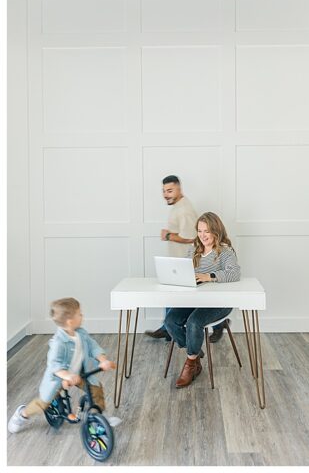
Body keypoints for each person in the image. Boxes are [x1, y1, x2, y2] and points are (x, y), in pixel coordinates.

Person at [8, 298, 122, 433]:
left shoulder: (81, 333)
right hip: (58, 377)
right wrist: (67, 376)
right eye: (80, 314)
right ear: (70, 321)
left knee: (95, 388)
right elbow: (54, 365)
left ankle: (99, 416)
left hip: (78, 372)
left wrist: (103, 360)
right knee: (43, 403)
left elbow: (93, 347)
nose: (82, 316)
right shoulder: (58, 342)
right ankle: (22, 414)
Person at [145, 175, 230, 343]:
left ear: (179, 189)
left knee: (179, 296)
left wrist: (168, 235)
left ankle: (217, 324)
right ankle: (168, 328)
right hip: (179, 261)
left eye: (170, 190)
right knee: (172, 294)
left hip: (188, 263)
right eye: (164, 191)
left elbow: (192, 237)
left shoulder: (185, 210)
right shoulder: (177, 206)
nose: (166, 194)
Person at [165, 212, 241, 388]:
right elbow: (183, 268)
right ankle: (195, 351)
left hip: (219, 303)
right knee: (170, 320)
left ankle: (191, 365)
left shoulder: (225, 251)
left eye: (207, 231)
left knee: (193, 323)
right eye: (200, 231)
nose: (203, 235)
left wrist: (209, 276)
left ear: (216, 230)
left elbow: (234, 273)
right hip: (195, 299)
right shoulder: (194, 248)